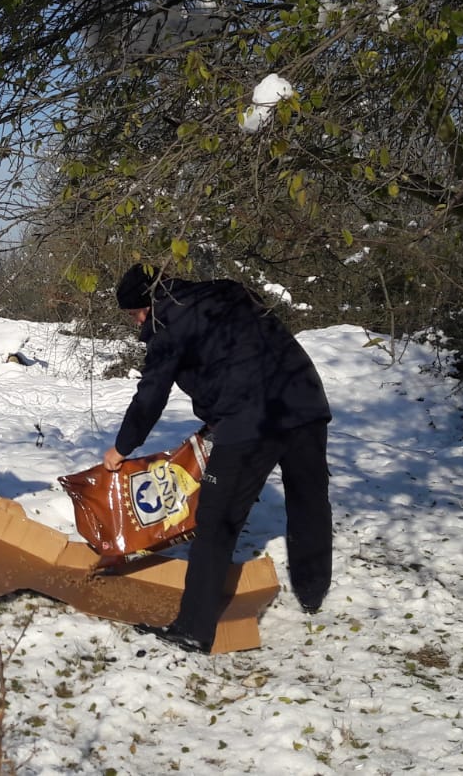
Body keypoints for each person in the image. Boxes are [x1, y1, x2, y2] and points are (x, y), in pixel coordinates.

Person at [103, 263, 333, 653]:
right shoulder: (225, 290)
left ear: (144, 306)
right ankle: (312, 594)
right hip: (304, 400)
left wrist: (122, 448)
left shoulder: (167, 327)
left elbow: (151, 395)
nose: (135, 323)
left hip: (251, 423)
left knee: (216, 522)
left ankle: (193, 628)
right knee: (308, 501)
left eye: (133, 315)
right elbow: (246, 350)